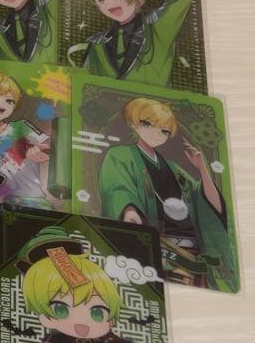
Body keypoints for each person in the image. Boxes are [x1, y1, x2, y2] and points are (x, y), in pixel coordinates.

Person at [99, 97, 232, 289]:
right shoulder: (120, 155)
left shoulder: (174, 169)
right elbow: (117, 188)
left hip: (190, 254)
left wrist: (202, 168)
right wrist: (129, 210)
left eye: (164, 131)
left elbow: (210, 204)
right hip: (154, 246)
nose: (156, 134)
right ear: (134, 124)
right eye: (147, 124)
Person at [18, 228, 146, 343]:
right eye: (61, 309)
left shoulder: (100, 342)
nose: (82, 321)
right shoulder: (63, 340)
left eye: (97, 312)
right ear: (46, 317)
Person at [77, 0, 196, 87]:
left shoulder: (156, 29)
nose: (110, 4)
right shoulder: (97, 44)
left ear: (139, 0)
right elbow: (84, 83)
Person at [0, 70, 59, 207]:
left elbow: (50, 148)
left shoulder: (20, 126)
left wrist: (35, 149)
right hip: (5, 206)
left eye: (9, 100)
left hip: (33, 203)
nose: (2, 103)